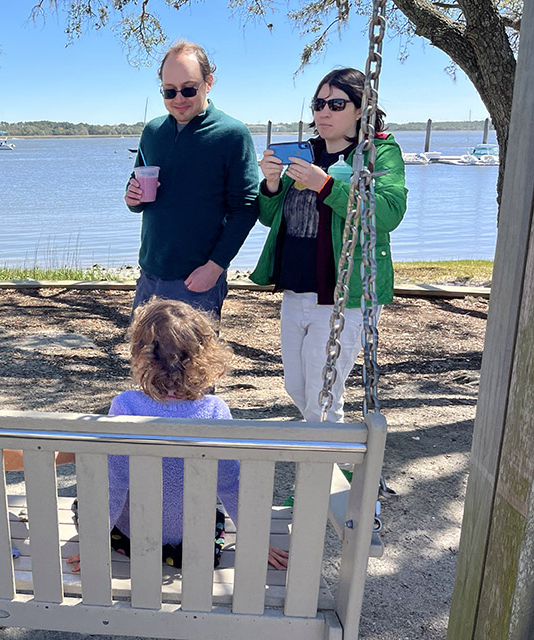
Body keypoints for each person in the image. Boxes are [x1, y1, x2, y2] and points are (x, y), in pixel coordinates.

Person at [68, 298, 289, 571]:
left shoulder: (126, 406)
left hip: (132, 539)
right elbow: (231, 485)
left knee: (84, 501)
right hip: (194, 542)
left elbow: (114, 485)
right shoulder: (215, 410)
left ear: (141, 355)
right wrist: (257, 540)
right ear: (205, 357)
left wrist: (94, 544)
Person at [250, 68, 408, 422]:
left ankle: (324, 456)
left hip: (342, 293)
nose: (324, 112)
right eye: (318, 104)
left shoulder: (378, 153)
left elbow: (387, 214)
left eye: (336, 104)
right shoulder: (307, 153)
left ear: (360, 109)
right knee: (296, 386)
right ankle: (330, 451)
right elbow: (272, 217)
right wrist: (272, 183)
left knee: (322, 395)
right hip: (296, 289)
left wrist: (326, 186)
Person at [125, 40, 260, 318]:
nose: (179, 98)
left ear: (208, 83)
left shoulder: (232, 134)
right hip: (150, 274)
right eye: (169, 91)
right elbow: (136, 191)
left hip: (197, 280)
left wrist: (214, 268)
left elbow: (246, 208)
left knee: (194, 350)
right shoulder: (152, 131)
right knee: (143, 348)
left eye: (188, 89)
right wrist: (133, 197)